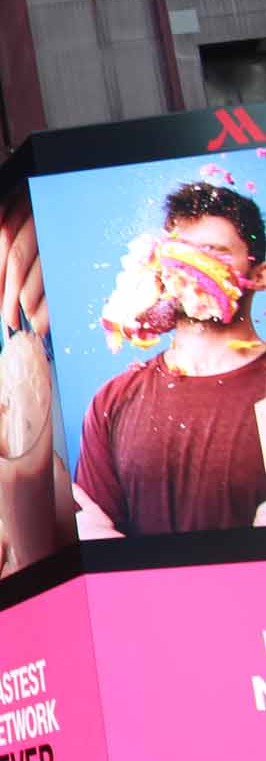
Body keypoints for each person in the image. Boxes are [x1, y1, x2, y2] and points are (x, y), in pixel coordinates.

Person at [76, 180, 266, 537]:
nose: (193, 268)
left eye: (214, 252)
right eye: (181, 253)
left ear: (259, 275)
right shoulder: (113, 401)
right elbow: (96, 540)